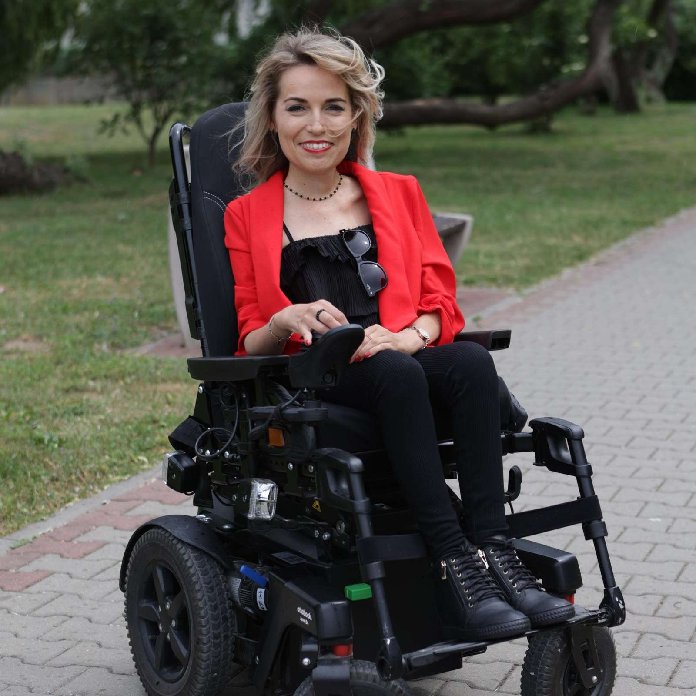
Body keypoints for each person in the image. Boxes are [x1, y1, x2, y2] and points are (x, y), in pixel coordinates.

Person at [223, 27, 573, 642]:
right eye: (297, 107)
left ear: (356, 116)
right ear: (272, 119)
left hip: (397, 355)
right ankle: (453, 561)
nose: (316, 125)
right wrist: (283, 320)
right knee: (393, 372)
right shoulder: (247, 215)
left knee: (467, 364)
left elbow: (441, 299)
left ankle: (497, 554)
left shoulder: (398, 193)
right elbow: (250, 335)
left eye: (334, 107)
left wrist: (409, 335)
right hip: (319, 376)